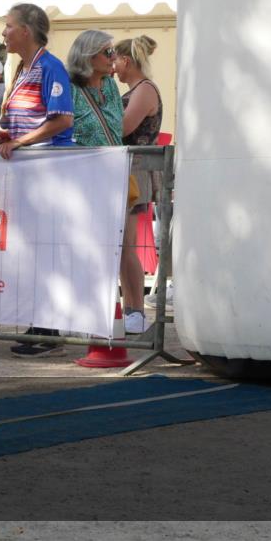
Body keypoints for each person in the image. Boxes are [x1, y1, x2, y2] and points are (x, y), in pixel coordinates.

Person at [0, 3, 74, 357]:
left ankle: (51, 329)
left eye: (9, 26)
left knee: (47, 249)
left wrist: (20, 142)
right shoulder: (22, 69)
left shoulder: (50, 67)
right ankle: (40, 321)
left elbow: (62, 120)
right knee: (34, 249)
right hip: (27, 172)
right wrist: (7, 136)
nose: (4, 32)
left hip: (48, 172)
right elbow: (27, 121)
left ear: (25, 31)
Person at [113, 35, 162, 334]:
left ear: (126, 61)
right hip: (128, 169)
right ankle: (131, 308)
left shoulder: (144, 90)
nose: (113, 67)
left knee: (127, 245)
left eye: (115, 61)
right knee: (122, 245)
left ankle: (135, 310)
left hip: (136, 169)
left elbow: (122, 128)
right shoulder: (137, 89)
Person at [67, 29, 123, 148]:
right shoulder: (70, 87)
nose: (114, 57)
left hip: (115, 158)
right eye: (108, 52)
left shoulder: (110, 84)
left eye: (113, 51)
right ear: (88, 56)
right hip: (84, 159)